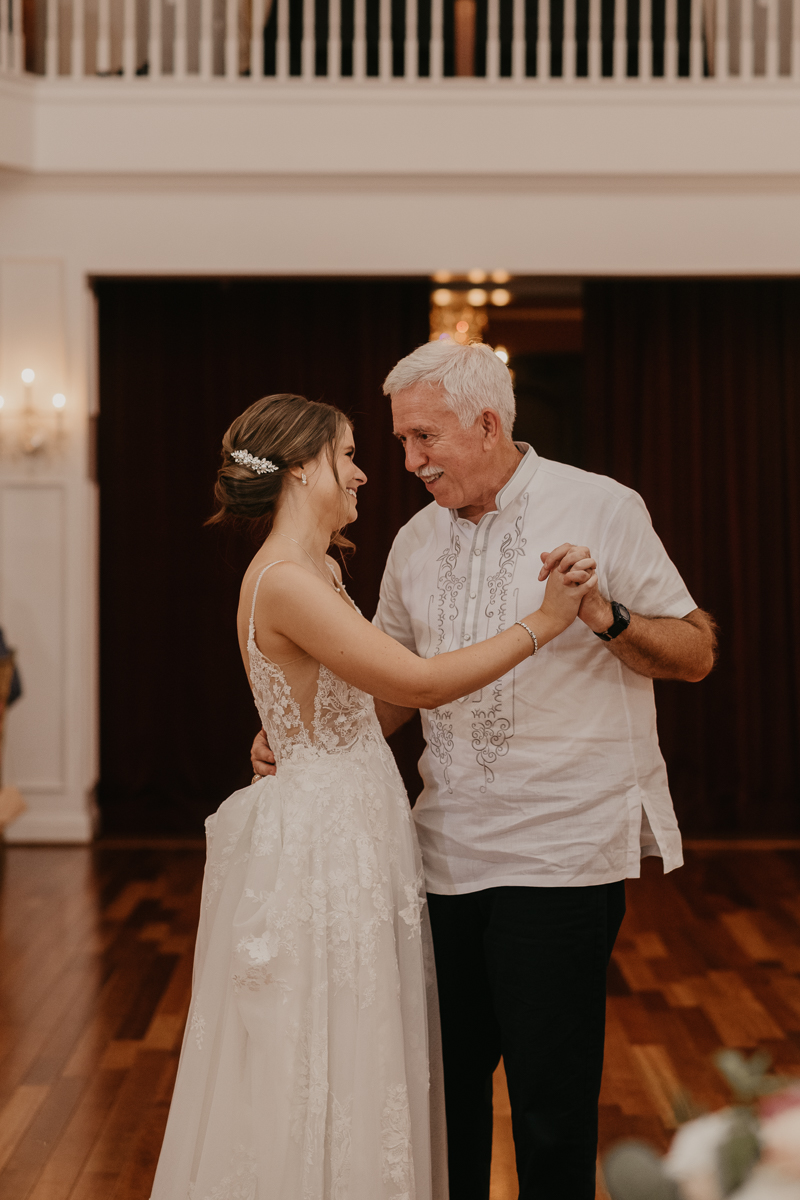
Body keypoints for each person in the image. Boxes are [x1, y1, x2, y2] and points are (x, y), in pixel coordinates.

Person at [252, 342, 717, 1200]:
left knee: (551, 1109)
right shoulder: (411, 542)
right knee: (438, 1100)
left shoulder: (604, 507)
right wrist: (311, 735)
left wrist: (607, 617)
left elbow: (695, 653)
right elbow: (391, 691)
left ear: (488, 424)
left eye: (423, 438)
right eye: (396, 442)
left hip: (560, 855)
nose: (407, 462)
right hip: (433, 859)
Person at [151, 391, 598, 1200]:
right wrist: (546, 621)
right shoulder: (286, 580)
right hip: (325, 842)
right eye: (348, 453)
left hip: (356, 821)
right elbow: (419, 683)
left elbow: (345, 702)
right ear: (298, 469)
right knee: (327, 1039)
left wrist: (298, 731)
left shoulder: (320, 568)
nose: (363, 472)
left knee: (361, 1039)